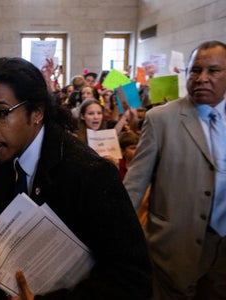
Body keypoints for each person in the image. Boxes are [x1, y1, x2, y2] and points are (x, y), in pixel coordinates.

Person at [0, 57, 152, 299]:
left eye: (2, 113)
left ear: (36, 112)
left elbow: (132, 278)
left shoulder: (90, 172)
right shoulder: (3, 160)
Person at [123, 40, 226, 299]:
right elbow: (134, 186)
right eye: (195, 70)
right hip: (171, 253)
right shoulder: (161, 120)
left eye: (213, 71)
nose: (202, 78)